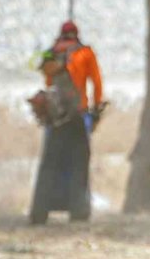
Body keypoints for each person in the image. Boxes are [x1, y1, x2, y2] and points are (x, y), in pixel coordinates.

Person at [28, 49, 91, 223]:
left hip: (64, 130)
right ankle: (76, 212)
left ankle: (42, 214)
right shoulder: (61, 77)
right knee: (73, 169)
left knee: (54, 170)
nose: (44, 72)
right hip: (68, 128)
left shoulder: (64, 78)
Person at [52, 20, 104, 136]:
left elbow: (48, 82)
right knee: (81, 149)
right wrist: (96, 106)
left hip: (56, 113)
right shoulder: (85, 53)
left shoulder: (52, 53)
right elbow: (97, 82)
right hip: (80, 111)